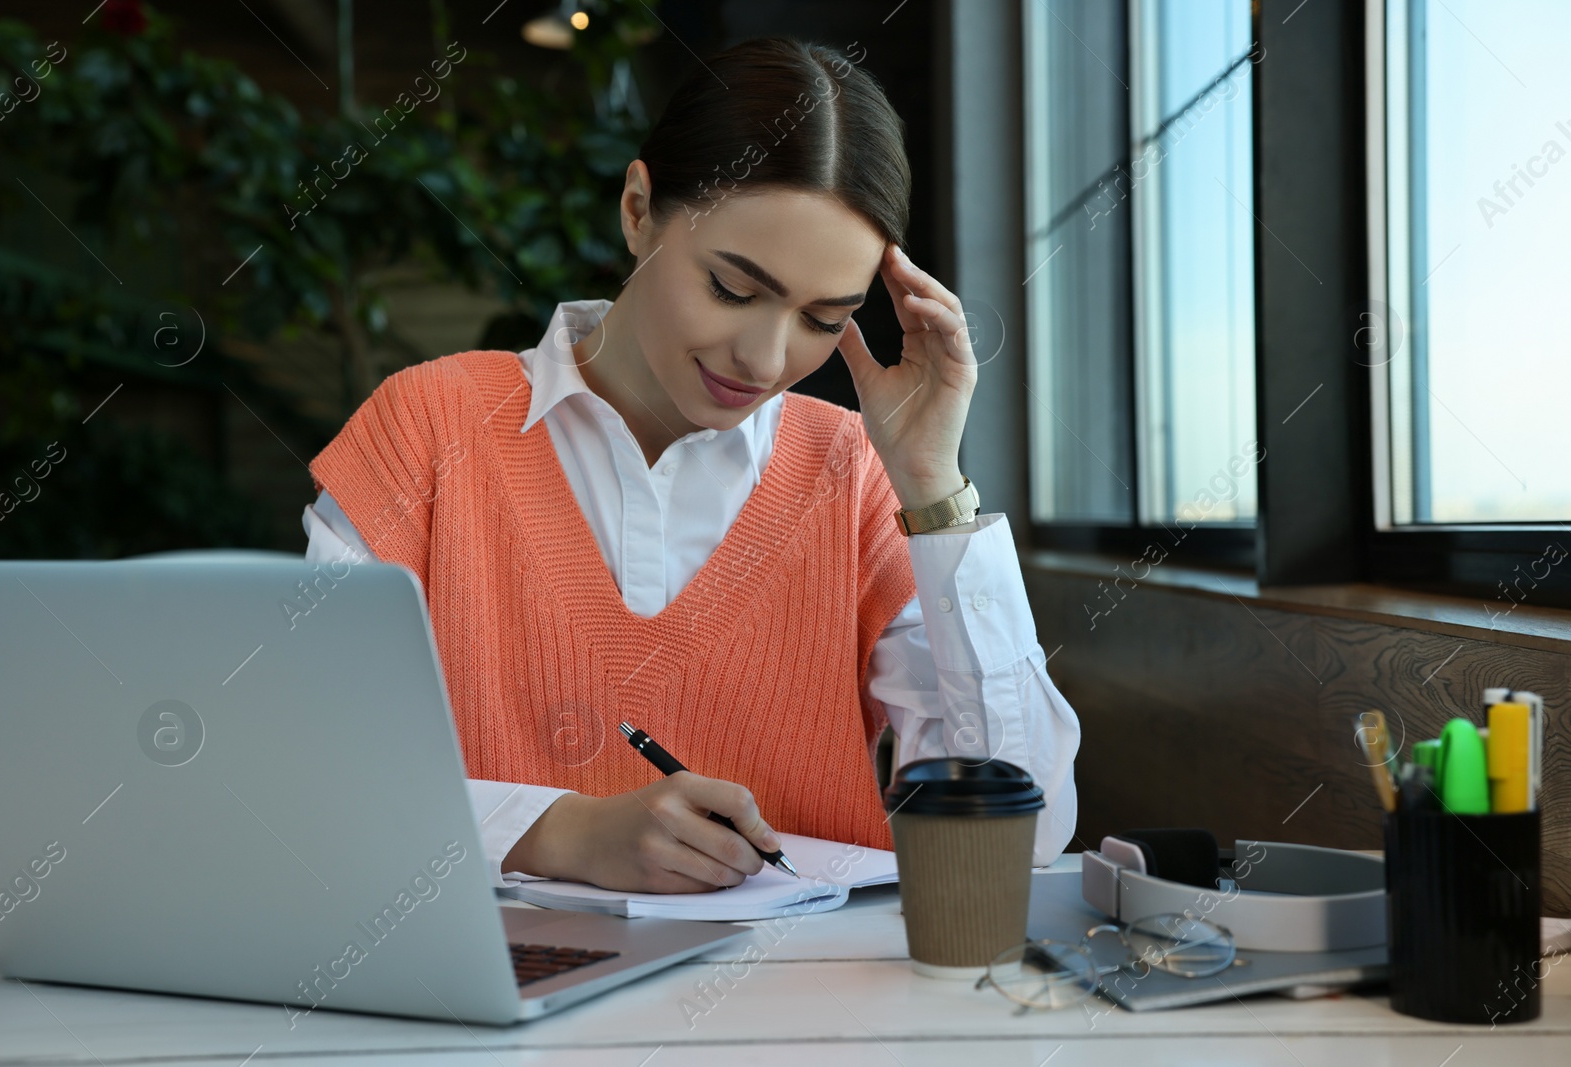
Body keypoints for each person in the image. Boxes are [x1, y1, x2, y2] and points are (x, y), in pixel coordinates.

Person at [302, 36, 1080, 894]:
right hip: (491, 1004)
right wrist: (559, 833)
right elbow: (310, 774)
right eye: (733, 289)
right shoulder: (429, 428)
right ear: (638, 209)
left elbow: (1030, 828)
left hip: (803, 1011)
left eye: (823, 319)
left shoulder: (857, 478)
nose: (763, 355)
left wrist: (932, 482)